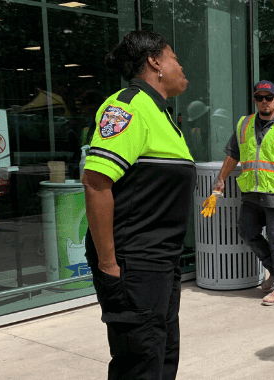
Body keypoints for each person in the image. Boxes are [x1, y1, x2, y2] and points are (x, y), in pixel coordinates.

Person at [82, 30, 192, 380]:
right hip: (135, 262)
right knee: (140, 363)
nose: (181, 65)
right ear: (155, 61)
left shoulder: (163, 115)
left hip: (161, 261)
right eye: (174, 57)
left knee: (162, 354)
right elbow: (96, 183)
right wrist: (109, 264)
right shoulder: (127, 107)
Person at [208, 80, 274, 306]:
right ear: (255, 100)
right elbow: (233, 154)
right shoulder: (244, 124)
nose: (264, 101)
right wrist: (221, 179)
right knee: (247, 231)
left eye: (269, 97)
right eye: (259, 97)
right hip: (252, 193)